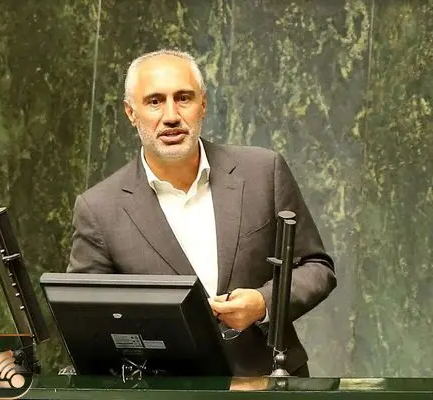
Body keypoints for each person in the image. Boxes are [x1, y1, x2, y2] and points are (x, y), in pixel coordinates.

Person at [67, 49, 336, 377]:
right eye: (154, 101)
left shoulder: (264, 171)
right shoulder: (99, 208)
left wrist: (265, 302)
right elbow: (87, 321)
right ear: (131, 112)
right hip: (167, 390)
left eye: (183, 98)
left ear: (203, 105)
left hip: (268, 382)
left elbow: (316, 267)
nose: (171, 115)